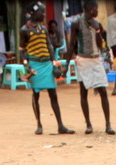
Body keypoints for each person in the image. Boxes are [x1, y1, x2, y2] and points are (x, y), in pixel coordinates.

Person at [21, 3, 74, 135]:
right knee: (36, 95)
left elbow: (49, 46)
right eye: (41, 12)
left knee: (53, 95)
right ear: (33, 13)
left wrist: (53, 62)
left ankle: (60, 125)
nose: (44, 15)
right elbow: (22, 50)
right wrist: (26, 64)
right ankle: (39, 124)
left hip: (46, 65)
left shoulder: (43, 29)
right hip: (35, 65)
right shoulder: (25, 30)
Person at [66, 0, 115, 134]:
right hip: (83, 60)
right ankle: (88, 124)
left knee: (103, 92)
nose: (97, 11)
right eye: (96, 9)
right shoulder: (77, 23)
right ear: (90, 9)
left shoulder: (97, 24)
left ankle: (108, 124)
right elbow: (71, 45)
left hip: (95, 59)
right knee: (83, 92)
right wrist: (66, 66)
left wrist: (98, 30)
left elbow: (100, 44)